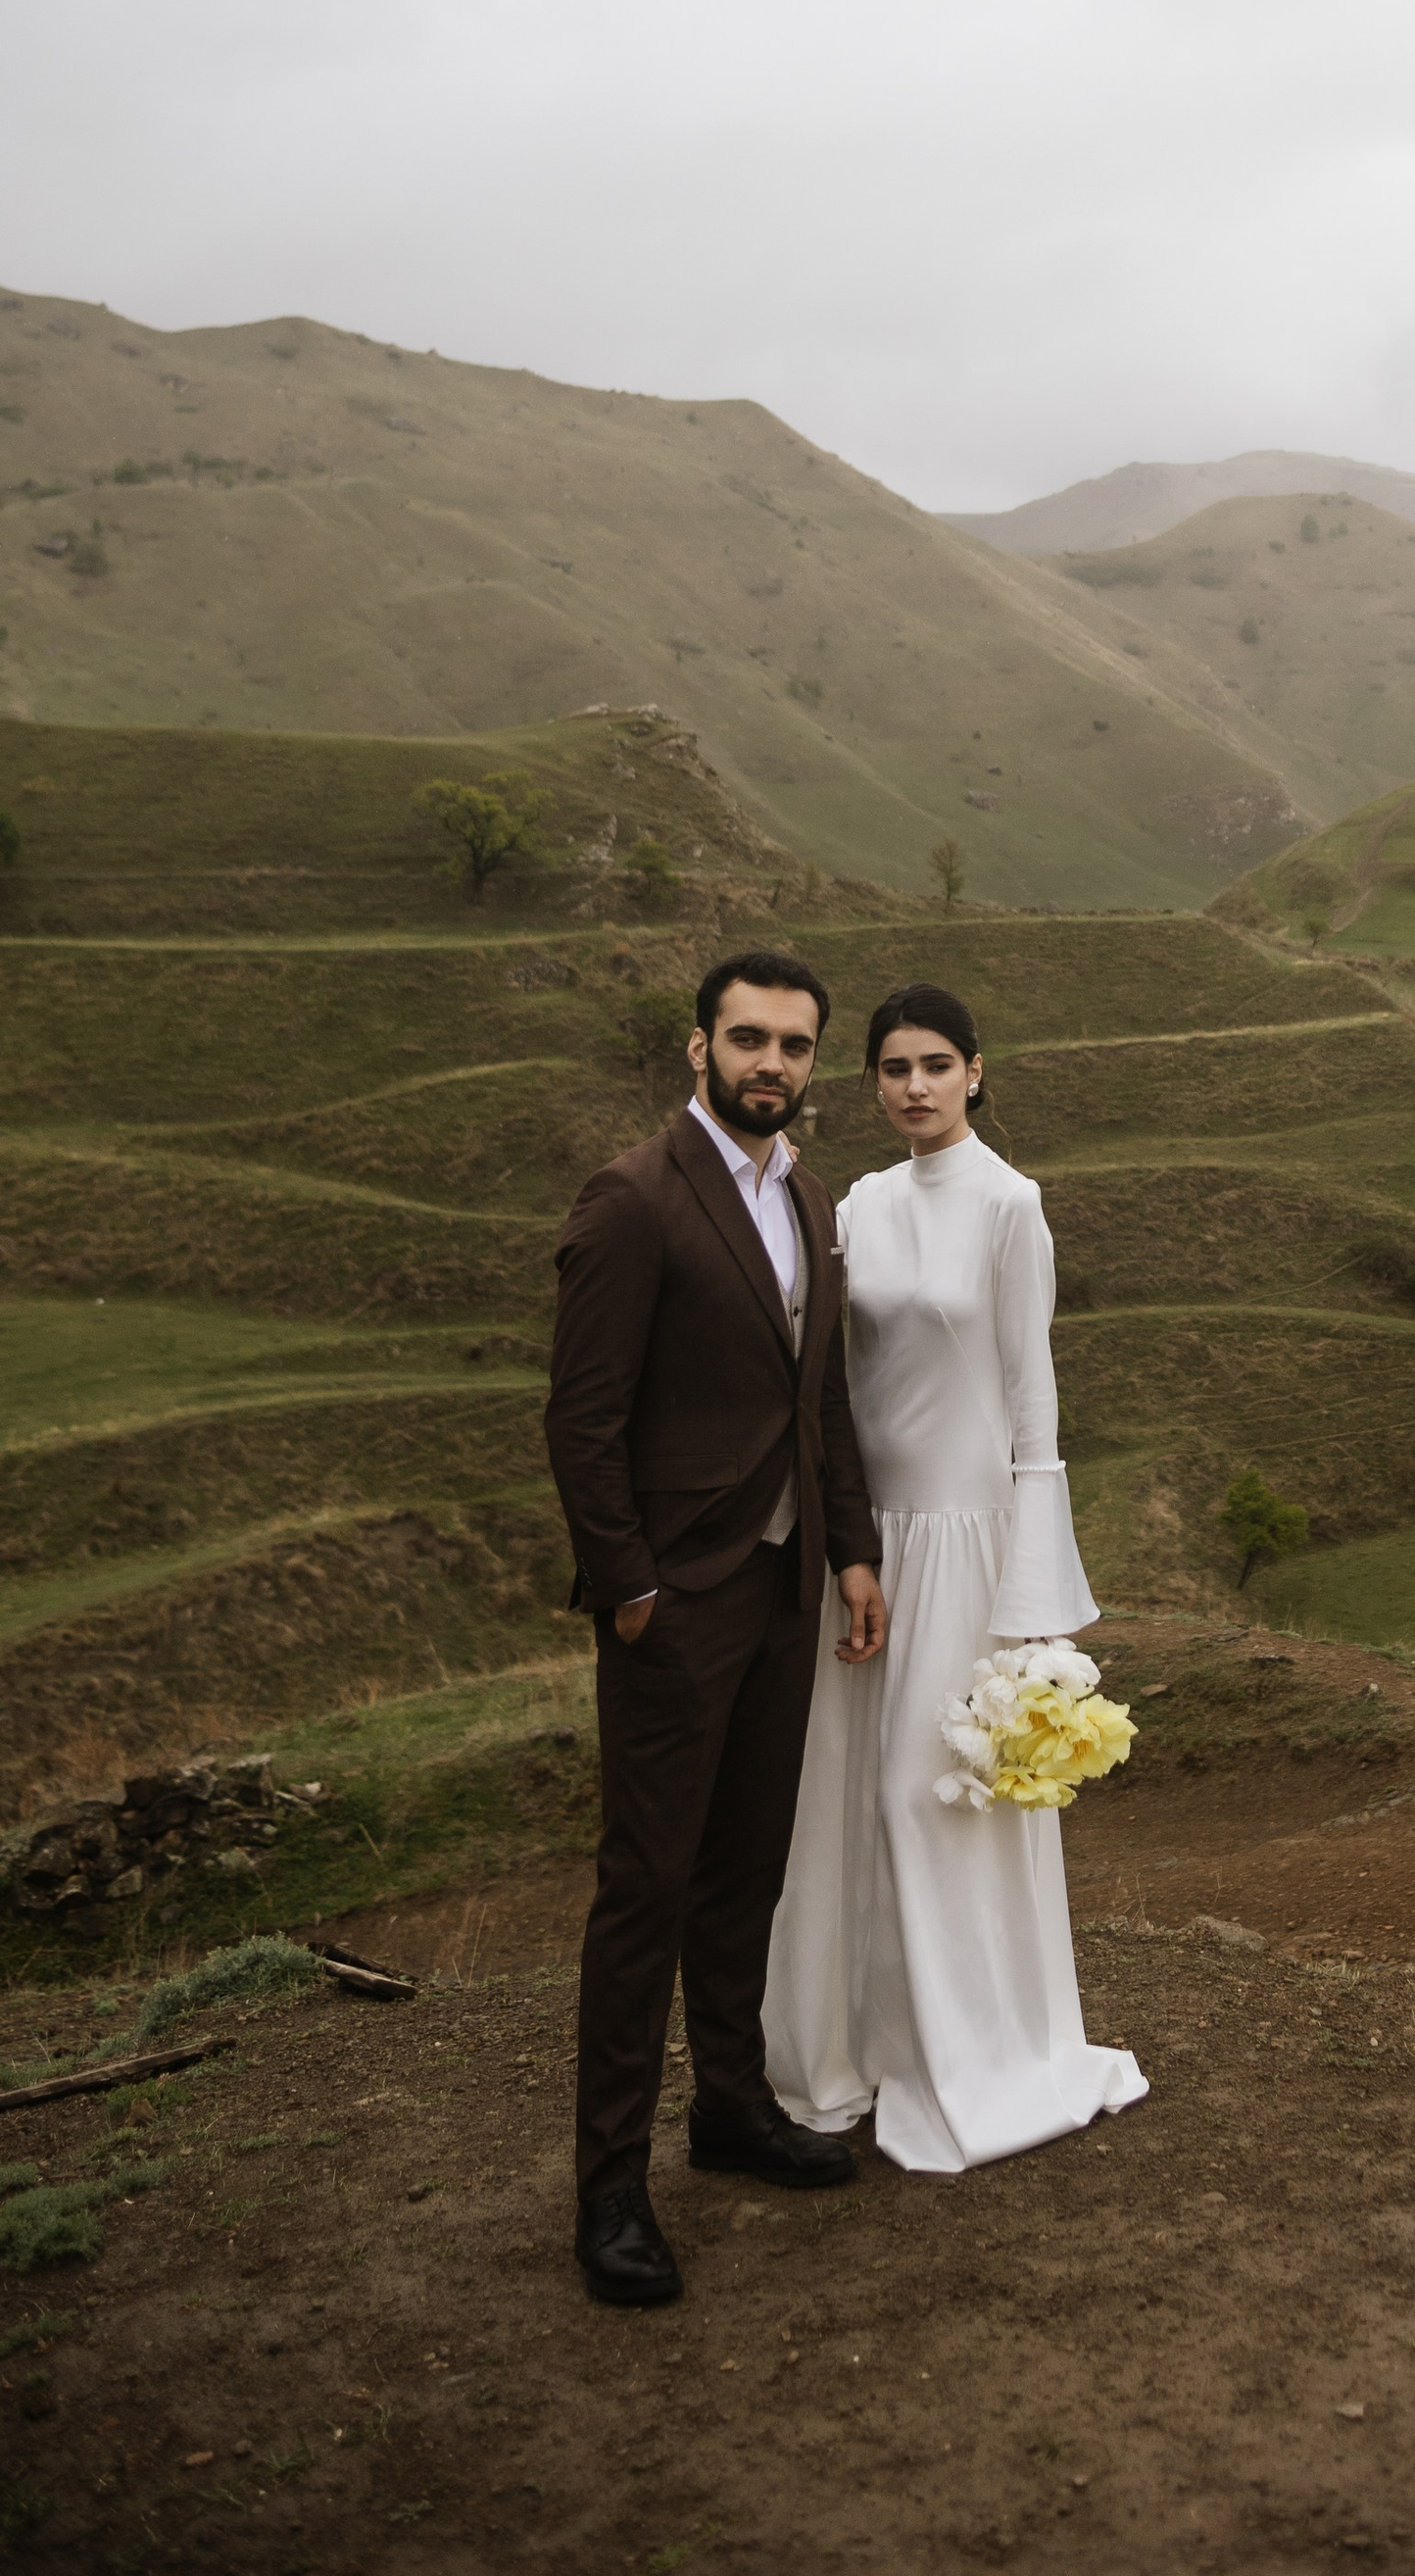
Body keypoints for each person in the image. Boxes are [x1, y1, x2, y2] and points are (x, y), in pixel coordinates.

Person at [545, 950, 889, 2308]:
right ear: (697, 1048)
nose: (772, 1065)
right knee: (647, 1888)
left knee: (749, 1866)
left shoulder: (804, 1190)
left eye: (796, 1046)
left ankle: (731, 2111)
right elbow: (582, 1418)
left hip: (786, 1587)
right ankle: (610, 2191)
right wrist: (629, 1586)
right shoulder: (632, 1199)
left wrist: (851, 1551)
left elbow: (825, 1400)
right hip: (674, 1605)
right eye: (748, 1040)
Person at [763, 980, 1147, 2170]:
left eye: (936, 1064)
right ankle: (854, 2052)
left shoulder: (1010, 1204)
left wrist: (1033, 1605)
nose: (914, 1086)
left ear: (975, 1071)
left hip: (969, 1539)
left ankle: (969, 2052)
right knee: (840, 1798)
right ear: (869, 1083)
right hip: (866, 1544)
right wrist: (839, 1536)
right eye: (892, 1068)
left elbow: (1033, 1400)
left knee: (931, 1802)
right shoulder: (858, 1206)